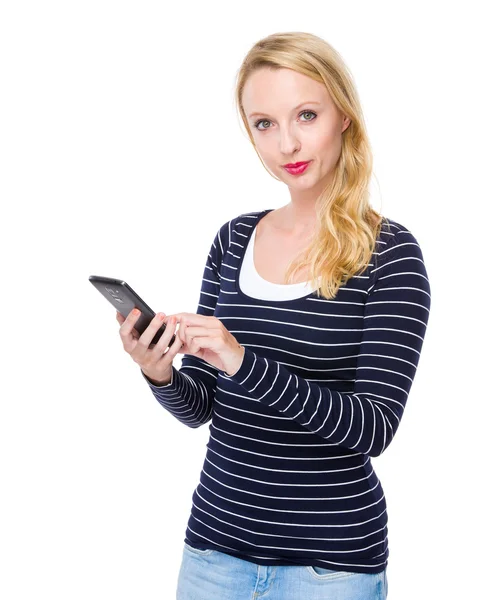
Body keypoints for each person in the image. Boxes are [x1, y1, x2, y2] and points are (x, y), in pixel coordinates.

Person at [116, 31, 431, 600]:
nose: (287, 143)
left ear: (344, 117)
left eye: (306, 115)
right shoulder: (234, 239)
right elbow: (205, 407)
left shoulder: (389, 253)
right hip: (213, 552)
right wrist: (159, 372)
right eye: (264, 124)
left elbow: (374, 427)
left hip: (327, 570)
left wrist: (243, 360)